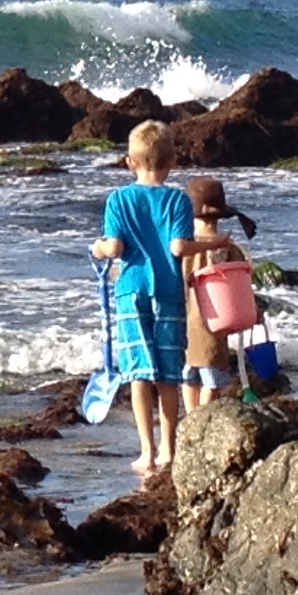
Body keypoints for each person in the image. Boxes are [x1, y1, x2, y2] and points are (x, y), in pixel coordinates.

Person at [91, 120, 193, 471]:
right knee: (168, 374)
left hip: (131, 289)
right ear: (173, 161)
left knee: (138, 373)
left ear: (129, 161)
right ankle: (169, 448)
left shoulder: (118, 198)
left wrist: (100, 248)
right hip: (167, 290)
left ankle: (146, 451)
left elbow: (116, 247)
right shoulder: (178, 198)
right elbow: (179, 246)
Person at [172, 176, 258, 413]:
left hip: (180, 325)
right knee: (212, 380)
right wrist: (255, 312)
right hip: (212, 329)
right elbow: (241, 289)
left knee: (188, 377)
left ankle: (190, 418)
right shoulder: (229, 248)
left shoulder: (180, 248)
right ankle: (201, 417)